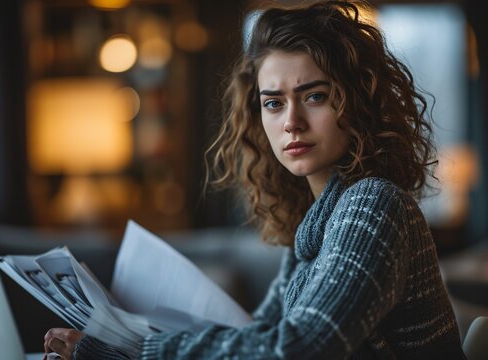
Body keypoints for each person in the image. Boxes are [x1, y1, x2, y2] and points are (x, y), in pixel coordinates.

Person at [43, 0, 467, 358]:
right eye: (273, 103)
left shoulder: (374, 204)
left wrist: (137, 349)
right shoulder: (314, 225)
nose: (292, 123)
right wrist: (106, 348)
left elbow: (301, 347)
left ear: (357, 102)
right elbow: (258, 334)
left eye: (314, 96)